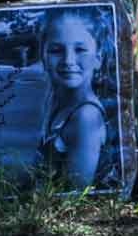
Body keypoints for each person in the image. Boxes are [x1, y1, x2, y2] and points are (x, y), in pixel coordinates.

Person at [38, 10, 110, 188]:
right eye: (56, 50)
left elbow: (75, 192)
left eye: (80, 50)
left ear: (98, 58)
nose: (68, 60)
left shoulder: (86, 117)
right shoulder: (57, 102)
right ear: (43, 57)